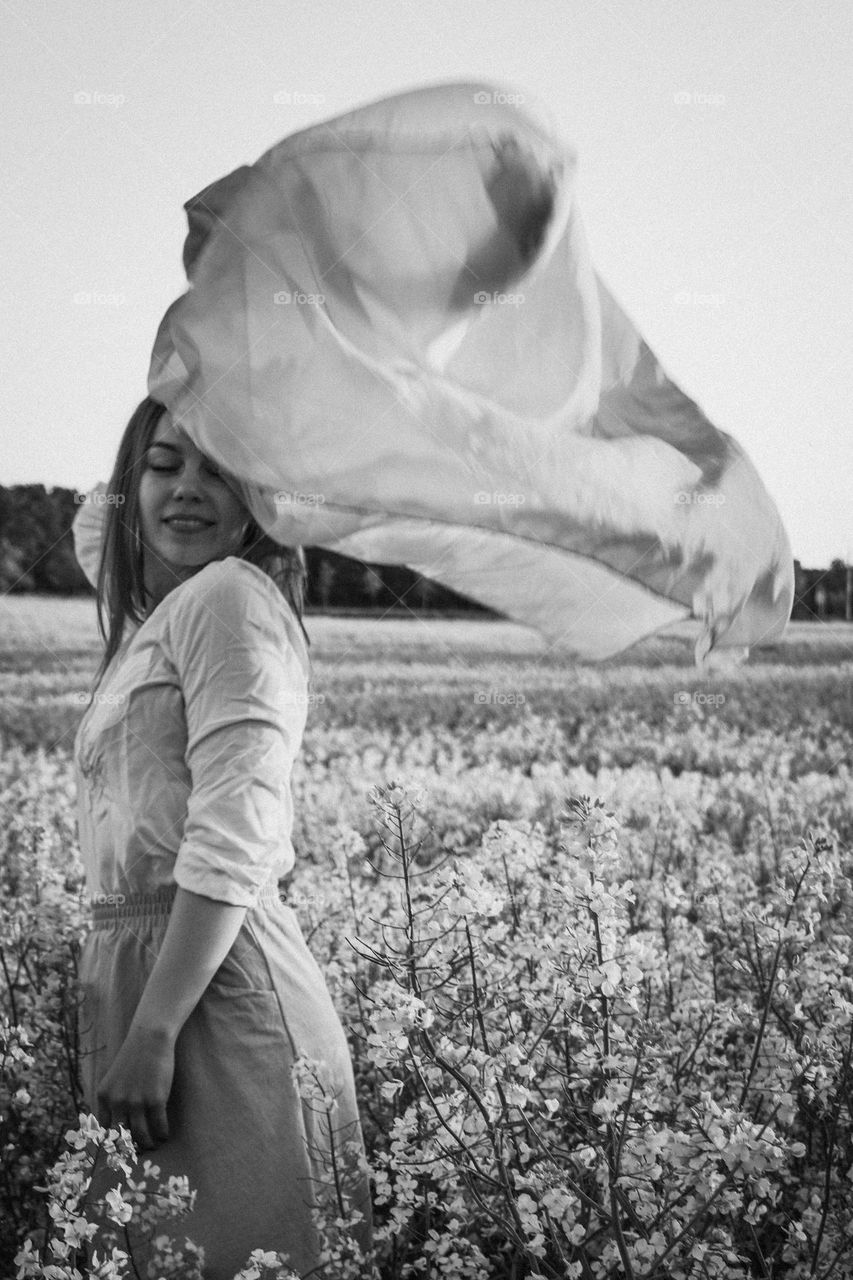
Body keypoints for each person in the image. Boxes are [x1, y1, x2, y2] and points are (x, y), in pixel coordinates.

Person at [73, 395, 373, 1278]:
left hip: (206, 987)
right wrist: (195, 377)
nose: (188, 490)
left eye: (222, 469)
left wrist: (155, 1030)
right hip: (152, 977)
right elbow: (102, 525)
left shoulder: (229, 600)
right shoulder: (162, 614)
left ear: (265, 498)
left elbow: (235, 833)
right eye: (166, 465)